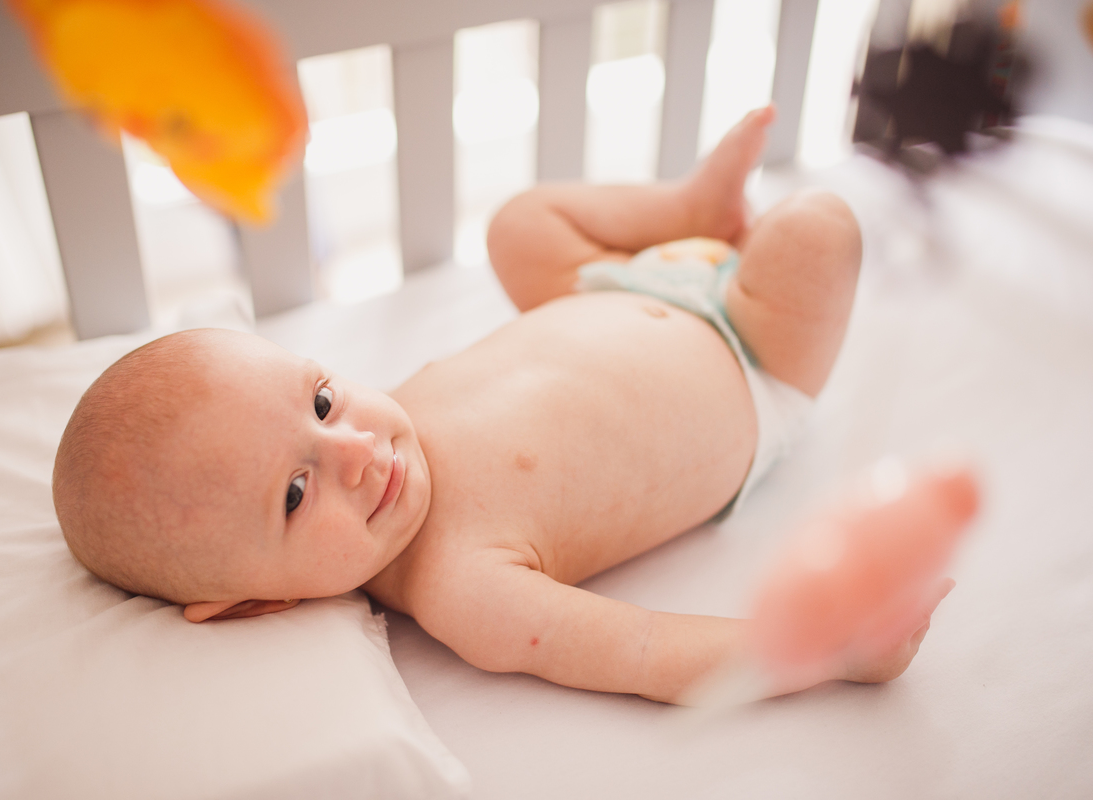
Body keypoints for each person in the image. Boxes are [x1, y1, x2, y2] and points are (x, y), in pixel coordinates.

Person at [53, 107, 961, 704]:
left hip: (609, 283)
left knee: (515, 226)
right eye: (295, 494)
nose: (356, 450)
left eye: (321, 401)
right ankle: (722, 235)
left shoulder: (385, 431)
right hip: (751, 359)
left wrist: (634, 276)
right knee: (816, 228)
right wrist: (832, 648)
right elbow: (646, 651)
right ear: (252, 602)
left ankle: (685, 209)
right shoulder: (463, 587)